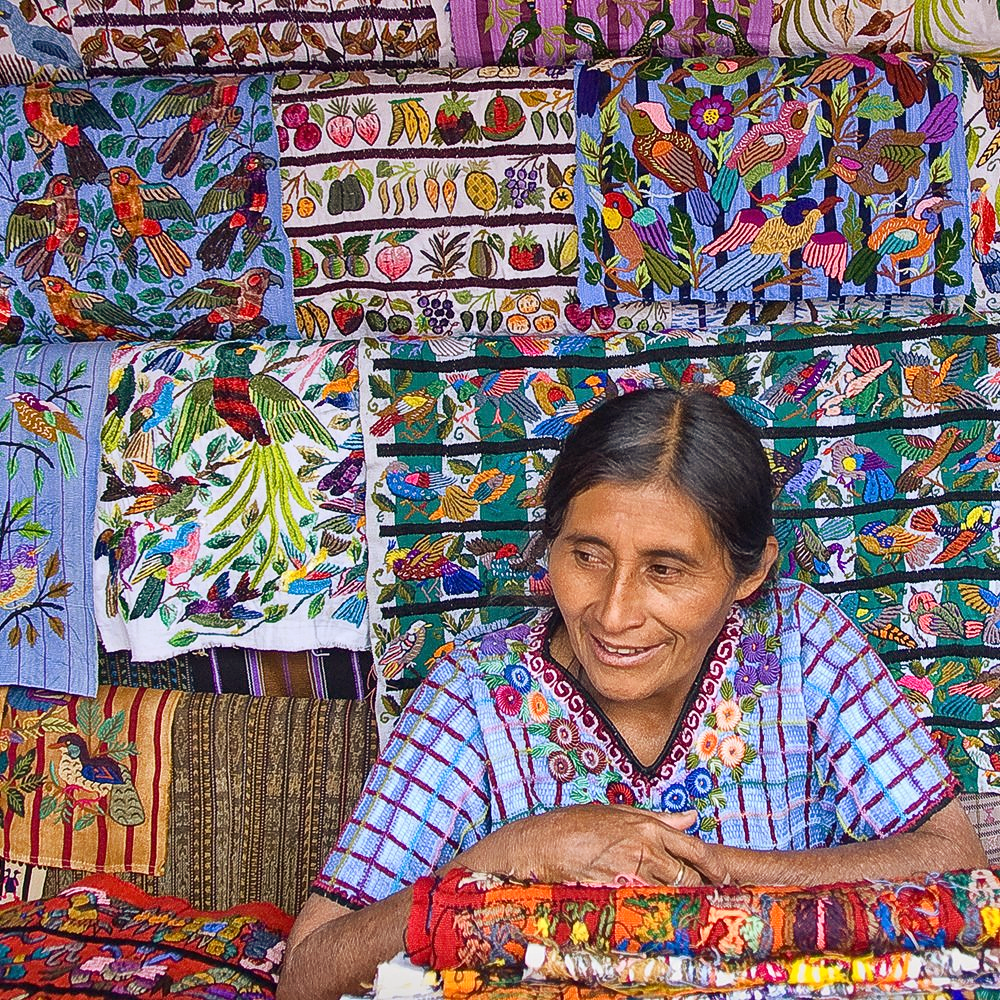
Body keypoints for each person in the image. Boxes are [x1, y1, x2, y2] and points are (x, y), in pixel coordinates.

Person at [278, 387, 987, 999]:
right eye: (586, 556)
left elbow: (956, 861)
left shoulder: (801, 642)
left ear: (750, 575)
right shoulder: (475, 693)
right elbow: (308, 971)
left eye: (666, 570)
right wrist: (513, 851)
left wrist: (713, 870)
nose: (613, 615)